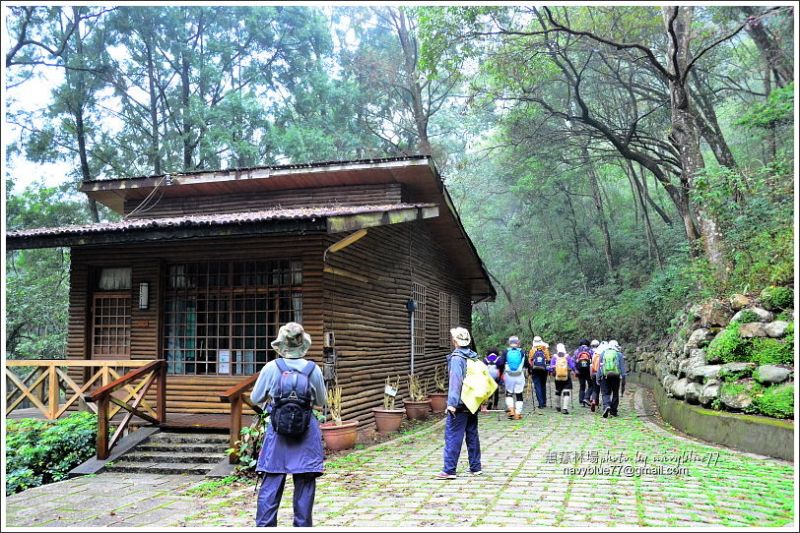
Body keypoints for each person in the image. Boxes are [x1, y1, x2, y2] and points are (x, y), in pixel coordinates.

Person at [251, 322, 328, 527]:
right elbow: (321, 401)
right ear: (302, 345)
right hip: (306, 430)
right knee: (304, 483)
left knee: (272, 480)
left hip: (278, 431)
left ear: (282, 345)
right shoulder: (313, 370)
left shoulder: (271, 368)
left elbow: (256, 397)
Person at [435, 327, 482, 480]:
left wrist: (452, 404)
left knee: (453, 435)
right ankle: (476, 467)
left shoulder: (457, 358)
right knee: (472, 434)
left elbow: (456, 382)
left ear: (455, 341)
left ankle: (449, 470)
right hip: (472, 402)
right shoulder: (474, 357)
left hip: (460, 404)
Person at [598, 340, 627, 418]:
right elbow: (622, 368)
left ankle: (607, 405)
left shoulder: (603, 354)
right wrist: (623, 377)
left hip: (605, 376)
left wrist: (598, 378)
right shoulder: (619, 354)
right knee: (615, 393)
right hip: (616, 376)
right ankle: (613, 411)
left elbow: (599, 368)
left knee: (605, 393)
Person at [502, 335, 528, 420]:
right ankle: (518, 413)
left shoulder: (505, 351)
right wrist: (530, 371)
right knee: (519, 394)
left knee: (509, 393)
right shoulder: (522, 352)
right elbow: (527, 364)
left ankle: (511, 411)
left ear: (509, 343)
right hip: (519, 375)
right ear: (518, 343)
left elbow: (501, 363)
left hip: (509, 376)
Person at [549, 343, 576, 414]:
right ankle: (565, 408)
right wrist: (575, 371)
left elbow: (551, 367)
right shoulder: (567, 357)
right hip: (566, 376)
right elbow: (572, 366)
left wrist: (552, 372)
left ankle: (558, 406)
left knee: (558, 391)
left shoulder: (554, 357)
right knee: (566, 391)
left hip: (557, 377)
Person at [528, 336, 550, 410]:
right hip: (544, 370)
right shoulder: (545, 349)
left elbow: (530, 360)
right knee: (543, 385)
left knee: (537, 386)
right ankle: (544, 402)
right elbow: (548, 359)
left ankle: (540, 403)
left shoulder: (532, 350)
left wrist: (530, 370)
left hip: (535, 370)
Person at [573, 339, 594, 407]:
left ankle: (581, 400)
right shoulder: (590, 350)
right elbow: (593, 360)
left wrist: (575, 370)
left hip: (580, 370)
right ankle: (586, 398)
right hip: (588, 370)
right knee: (591, 385)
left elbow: (573, 361)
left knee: (582, 385)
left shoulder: (577, 351)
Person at [588, 339, 602, 412]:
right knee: (602, 388)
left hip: (593, 372)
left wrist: (591, 374)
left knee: (595, 389)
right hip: (601, 373)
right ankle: (599, 402)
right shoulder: (602, 352)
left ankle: (593, 400)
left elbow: (591, 364)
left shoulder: (592, 353)